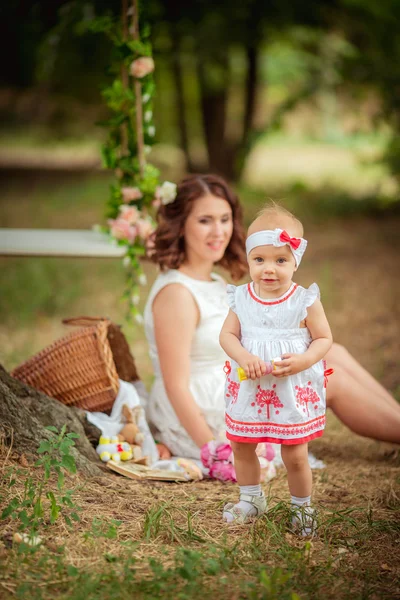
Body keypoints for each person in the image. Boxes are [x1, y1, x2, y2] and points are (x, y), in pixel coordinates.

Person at [143, 174, 400, 467]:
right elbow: (176, 385)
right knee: (332, 379)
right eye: (205, 221)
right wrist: (215, 451)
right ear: (180, 225)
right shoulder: (176, 293)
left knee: (333, 352)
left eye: (225, 219)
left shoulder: (212, 281)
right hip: (203, 411)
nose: (219, 231)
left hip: (237, 378)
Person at [219, 203, 332, 530]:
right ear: (249, 260)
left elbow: (324, 338)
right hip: (250, 386)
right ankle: (250, 497)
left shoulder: (304, 300)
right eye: (260, 260)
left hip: (290, 388)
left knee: (295, 453)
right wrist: (243, 356)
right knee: (242, 445)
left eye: (280, 260)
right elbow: (227, 334)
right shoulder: (241, 298)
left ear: (295, 261)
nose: (269, 269)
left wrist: (304, 360)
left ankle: (302, 506)